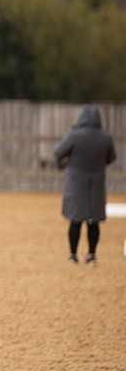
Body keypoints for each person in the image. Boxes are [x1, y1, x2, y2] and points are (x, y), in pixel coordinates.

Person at [54, 105, 117, 264]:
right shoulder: (106, 137)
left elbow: (58, 152)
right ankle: (91, 254)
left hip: (76, 181)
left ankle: (73, 254)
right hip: (96, 180)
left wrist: (65, 164)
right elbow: (111, 158)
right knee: (93, 220)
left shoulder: (74, 135)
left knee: (75, 219)